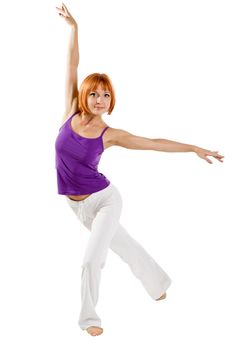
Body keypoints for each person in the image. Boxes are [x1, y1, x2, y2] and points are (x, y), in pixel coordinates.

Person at [55, 3, 224, 337]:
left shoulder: (110, 135)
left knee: (92, 259)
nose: (100, 99)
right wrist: (75, 29)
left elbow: (153, 142)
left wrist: (192, 148)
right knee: (125, 246)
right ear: (84, 96)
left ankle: (89, 319)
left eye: (106, 95)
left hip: (104, 200)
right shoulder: (70, 113)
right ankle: (159, 285)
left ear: (111, 100)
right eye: (94, 93)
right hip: (77, 206)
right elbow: (72, 65)